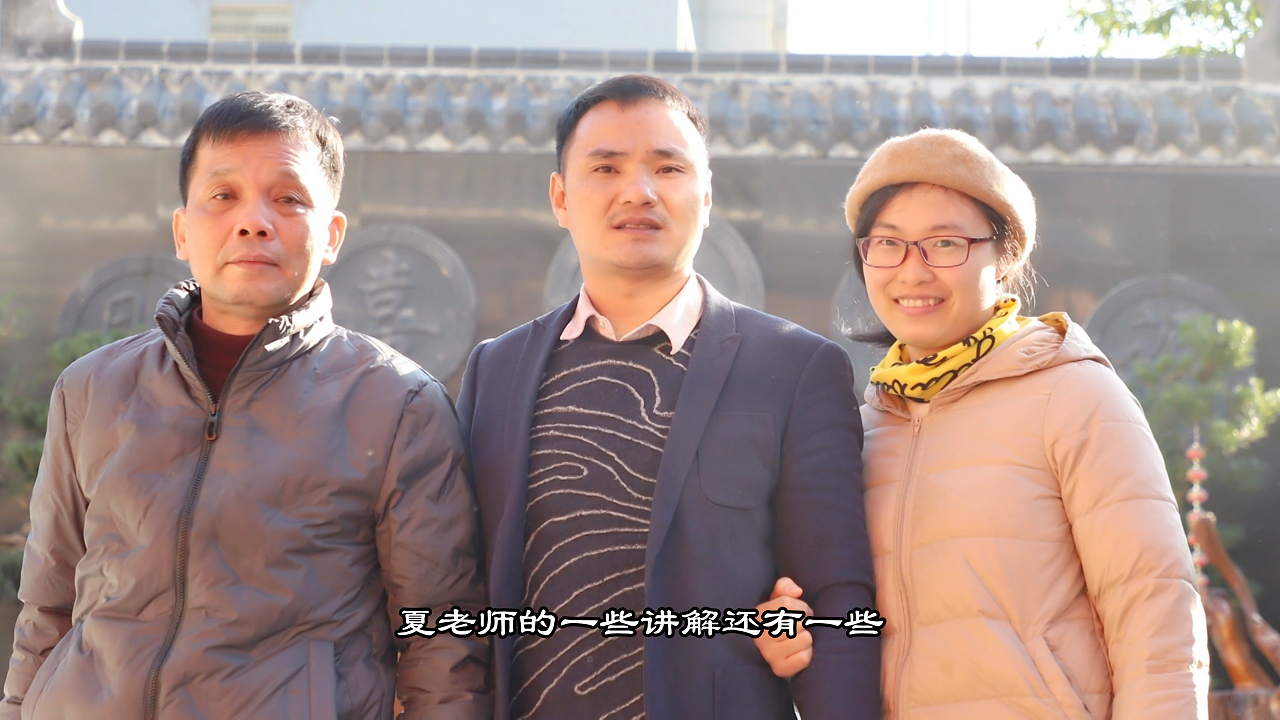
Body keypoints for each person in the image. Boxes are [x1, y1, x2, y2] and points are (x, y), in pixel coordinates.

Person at [2, 91, 490, 719]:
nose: (253, 221)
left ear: (332, 234)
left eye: (288, 199)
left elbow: (443, 639)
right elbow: (46, 608)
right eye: (223, 195)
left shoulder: (397, 405)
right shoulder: (91, 388)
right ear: (183, 230)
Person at [456, 74, 879, 720]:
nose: (639, 191)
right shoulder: (496, 371)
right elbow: (458, 584)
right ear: (561, 197)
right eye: (606, 167)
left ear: (705, 196)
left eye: (668, 168)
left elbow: (839, 603)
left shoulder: (795, 369)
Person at [754, 128, 1210, 718]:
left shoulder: (1074, 395)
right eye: (887, 243)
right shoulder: (860, 429)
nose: (912, 272)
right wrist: (791, 629)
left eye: (945, 243)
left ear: (1005, 256)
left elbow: (1155, 616)